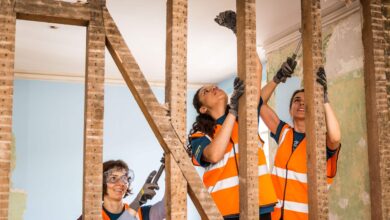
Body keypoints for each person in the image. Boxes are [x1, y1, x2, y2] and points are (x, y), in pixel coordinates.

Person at [187, 11, 277, 220]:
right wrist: (233, 112)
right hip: (224, 211)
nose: (213, 88)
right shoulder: (199, 135)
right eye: (205, 91)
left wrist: (240, 32)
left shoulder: (243, 118)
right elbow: (213, 155)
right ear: (202, 109)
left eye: (214, 86)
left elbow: (256, 67)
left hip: (260, 203)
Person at [259, 60, 341, 220]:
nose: (301, 102)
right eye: (297, 100)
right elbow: (257, 104)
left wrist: (324, 99)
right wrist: (278, 78)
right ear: (290, 109)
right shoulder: (283, 132)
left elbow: (335, 137)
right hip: (273, 216)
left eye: (307, 101)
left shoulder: (320, 142)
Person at [77, 159, 165, 220]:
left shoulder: (141, 214)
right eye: (113, 178)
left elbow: (168, 206)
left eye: (124, 178)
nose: (120, 183)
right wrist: (136, 203)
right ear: (101, 183)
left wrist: (170, 169)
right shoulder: (89, 216)